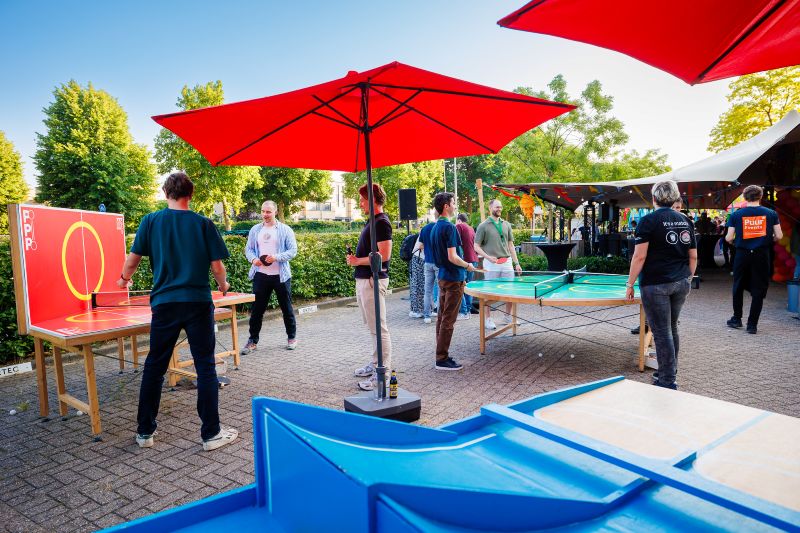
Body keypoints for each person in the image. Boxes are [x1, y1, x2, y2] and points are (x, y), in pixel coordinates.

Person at [118, 172, 238, 451]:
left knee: (154, 366)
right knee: (205, 366)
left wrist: (123, 280)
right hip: (197, 302)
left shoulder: (150, 221)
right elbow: (217, 267)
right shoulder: (203, 223)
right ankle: (211, 434)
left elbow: (132, 260)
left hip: (164, 304)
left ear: (165, 193)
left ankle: (145, 433)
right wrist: (223, 285)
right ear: (191, 194)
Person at [626, 180, 697, 390]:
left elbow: (639, 257)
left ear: (654, 198)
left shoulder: (648, 221)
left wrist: (630, 284)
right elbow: (693, 256)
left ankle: (667, 380)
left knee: (662, 332)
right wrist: (688, 279)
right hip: (681, 281)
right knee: (672, 327)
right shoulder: (686, 221)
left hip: (656, 283)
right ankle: (669, 372)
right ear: (674, 197)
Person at [348, 183, 393, 391]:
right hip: (365, 280)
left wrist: (358, 261)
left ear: (373, 200)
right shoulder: (373, 222)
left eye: (362, 200)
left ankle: (382, 373)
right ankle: (376, 364)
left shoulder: (382, 222)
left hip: (372, 281)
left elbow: (385, 255)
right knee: (373, 328)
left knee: (379, 329)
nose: (360, 204)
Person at [241, 200, 299, 354]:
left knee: (287, 309)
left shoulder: (285, 230)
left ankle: (292, 338)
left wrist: (276, 257)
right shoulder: (255, 229)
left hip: (281, 276)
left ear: (275, 212)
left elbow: (293, 251)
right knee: (257, 310)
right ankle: (252, 341)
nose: (265, 214)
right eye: (263, 211)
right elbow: (249, 250)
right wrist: (254, 259)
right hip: (261, 275)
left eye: (268, 212)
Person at [725, 185, 782, 334]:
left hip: (742, 254)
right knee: (759, 288)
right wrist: (768, 239)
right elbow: (779, 236)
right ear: (760, 196)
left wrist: (736, 241)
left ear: (745, 197)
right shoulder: (771, 213)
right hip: (762, 254)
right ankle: (752, 325)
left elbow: (729, 237)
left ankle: (737, 318)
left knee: (738, 285)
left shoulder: (736, 215)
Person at [429, 192, 475, 371]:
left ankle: (440, 354)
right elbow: (453, 256)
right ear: (446, 206)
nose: (455, 206)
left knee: (442, 318)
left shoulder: (435, 227)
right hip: (454, 278)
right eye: (454, 203)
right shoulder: (450, 228)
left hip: (442, 277)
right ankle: (442, 358)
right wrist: (467, 265)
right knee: (448, 320)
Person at [473, 199, 522, 330]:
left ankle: (507, 317)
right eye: (496, 207)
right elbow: (476, 246)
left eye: (500, 207)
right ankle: (488, 319)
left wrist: (516, 263)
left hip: (507, 262)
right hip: (491, 264)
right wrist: (488, 257)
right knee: (489, 292)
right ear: (490, 208)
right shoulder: (483, 226)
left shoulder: (506, 224)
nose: (499, 209)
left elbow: (511, 245)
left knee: (510, 291)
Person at [415, 220, 439, 324]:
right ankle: (440, 315)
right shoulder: (440, 227)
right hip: (438, 263)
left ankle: (427, 316)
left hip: (427, 262)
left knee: (427, 291)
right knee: (441, 290)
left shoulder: (424, 228)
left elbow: (420, 245)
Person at [456, 213, 478, 319]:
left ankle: (464, 312)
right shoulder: (471, 229)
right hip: (474, 260)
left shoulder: (459, 226)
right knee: (468, 286)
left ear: (459, 220)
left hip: (465, 261)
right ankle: (468, 310)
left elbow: (456, 243)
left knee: (460, 285)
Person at [408, 234, 426, 318]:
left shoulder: (428, 230)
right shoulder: (426, 230)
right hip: (419, 259)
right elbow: (420, 246)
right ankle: (416, 310)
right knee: (417, 284)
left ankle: (421, 310)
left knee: (422, 285)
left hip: (422, 259)